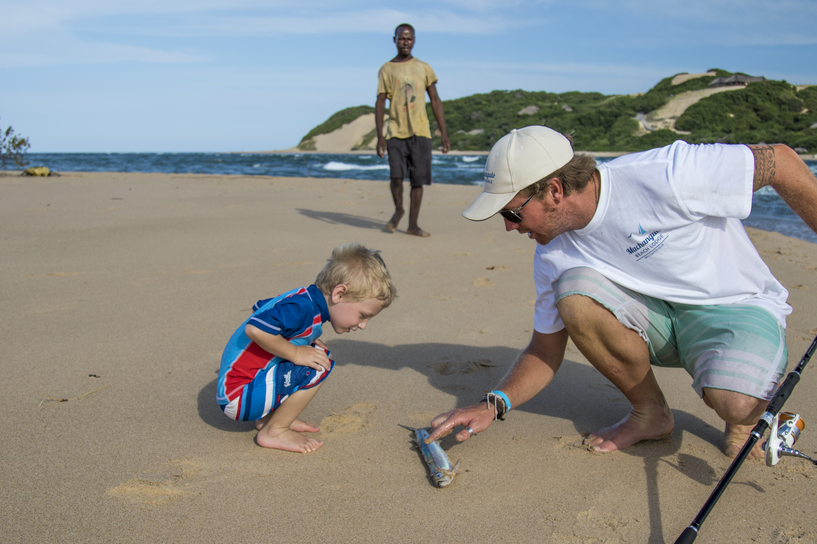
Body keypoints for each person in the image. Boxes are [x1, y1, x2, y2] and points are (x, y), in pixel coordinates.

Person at [426, 125, 817, 458]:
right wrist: (493, 405)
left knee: (735, 404)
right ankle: (651, 413)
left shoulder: (666, 173)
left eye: (512, 213)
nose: (509, 227)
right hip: (656, 323)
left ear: (554, 191)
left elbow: (780, 161)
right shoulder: (552, 253)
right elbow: (545, 350)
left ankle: (748, 405)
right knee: (573, 293)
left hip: (734, 306)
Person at [216, 243, 396, 453]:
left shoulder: (303, 297)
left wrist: (300, 341)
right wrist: (295, 352)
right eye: (363, 315)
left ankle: (271, 419)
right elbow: (255, 329)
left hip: (239, 389)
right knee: (319, 363)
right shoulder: (303, 309)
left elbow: (262, 307)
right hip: (237, 398)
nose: (363, 325)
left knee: (311, 352)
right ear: (339, 293)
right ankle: (276, 430)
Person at [375, 23, 451, 238]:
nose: (405, 42)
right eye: (401, 38)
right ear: (394, 40)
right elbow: (380, 102)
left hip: (421, 132)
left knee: (418, 180)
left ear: (414, 40)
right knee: (396, 177)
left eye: (409, 38)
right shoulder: (386, 69)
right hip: (396, 132)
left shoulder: (424, 67)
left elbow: (435, 100)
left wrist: (444, 133)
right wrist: (380, 136)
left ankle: (413, 225)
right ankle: (399, 209)